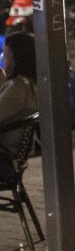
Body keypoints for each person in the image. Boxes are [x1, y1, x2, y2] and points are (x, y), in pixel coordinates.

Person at [0, 33, 38, 165]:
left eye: (6, 53)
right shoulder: (27, 83)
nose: (3, 57)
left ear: (16, 57)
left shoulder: (18, 88)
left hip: (5, 157)